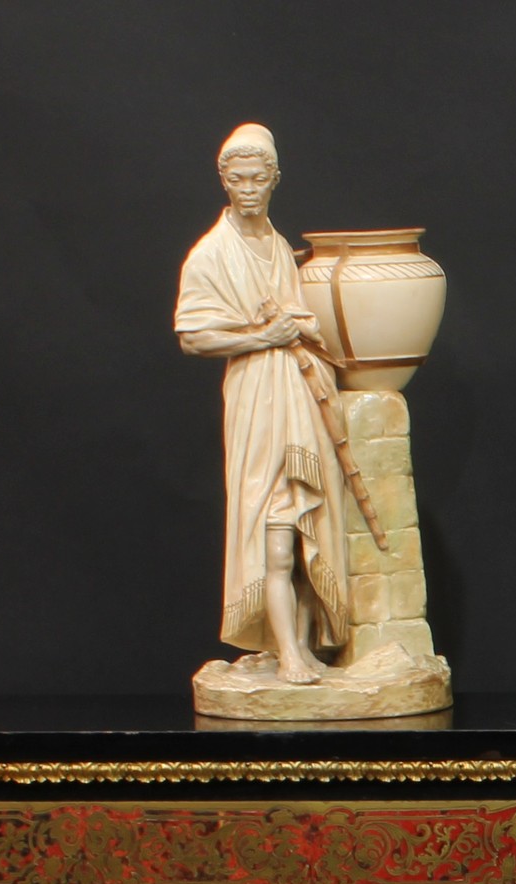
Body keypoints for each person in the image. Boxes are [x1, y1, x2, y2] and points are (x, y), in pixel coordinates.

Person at [174, 124, 347, 685]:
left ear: (275, 180)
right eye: (237, 179)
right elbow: (193, 335)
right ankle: (289, 656)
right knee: (272, 531)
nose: (248, 189)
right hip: (257, 399)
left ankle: (296, 647)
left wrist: (296, 328)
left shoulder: (277, 245)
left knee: (303, 529)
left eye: (258, 179)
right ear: (223, 181)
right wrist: (262, 338)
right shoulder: (210, 254)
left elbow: (297, 315)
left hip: (299, 393)